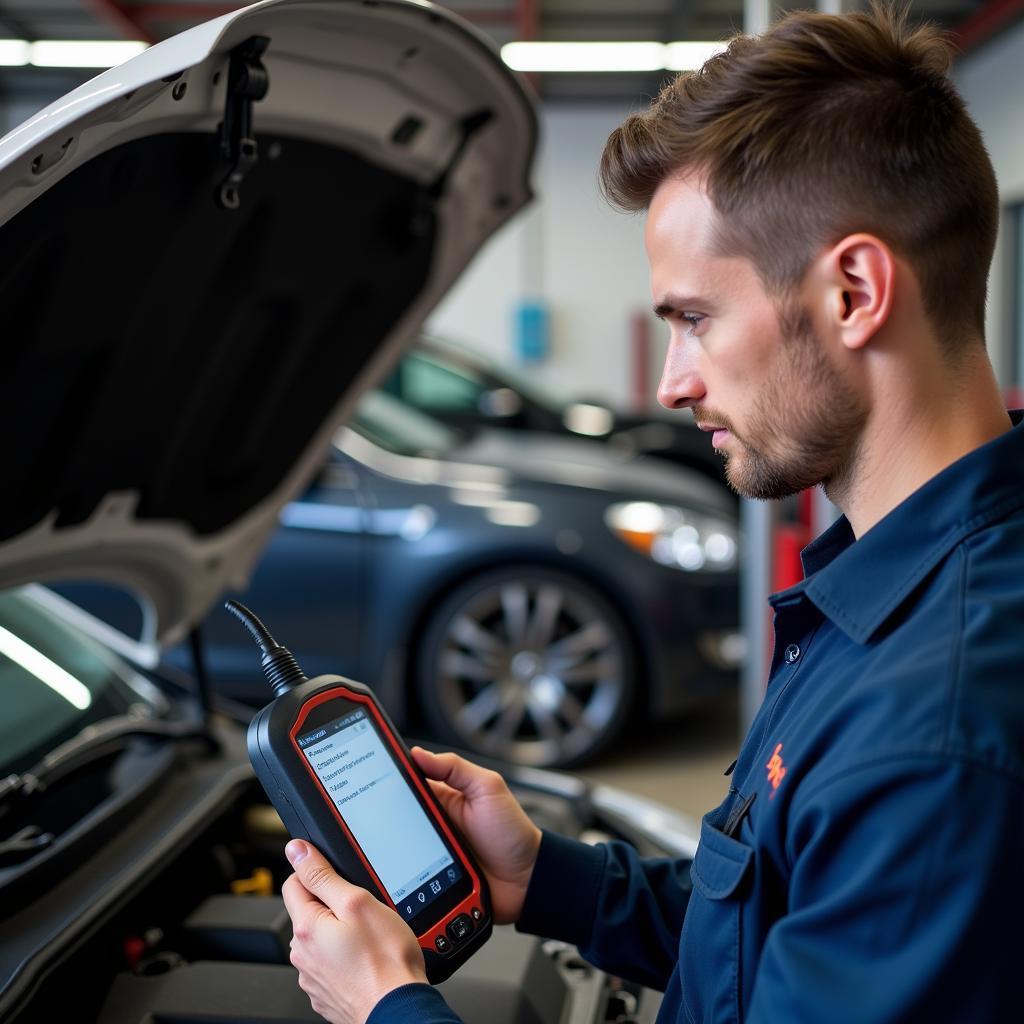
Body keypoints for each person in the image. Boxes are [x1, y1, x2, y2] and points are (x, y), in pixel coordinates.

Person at [279, 5, 1024, 1021]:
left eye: (695, 319)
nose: (672, 383)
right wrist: (544, 877)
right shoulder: (888, 597)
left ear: (853, 290)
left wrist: (388, 1006)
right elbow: (772, 931)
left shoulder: (934, 732)